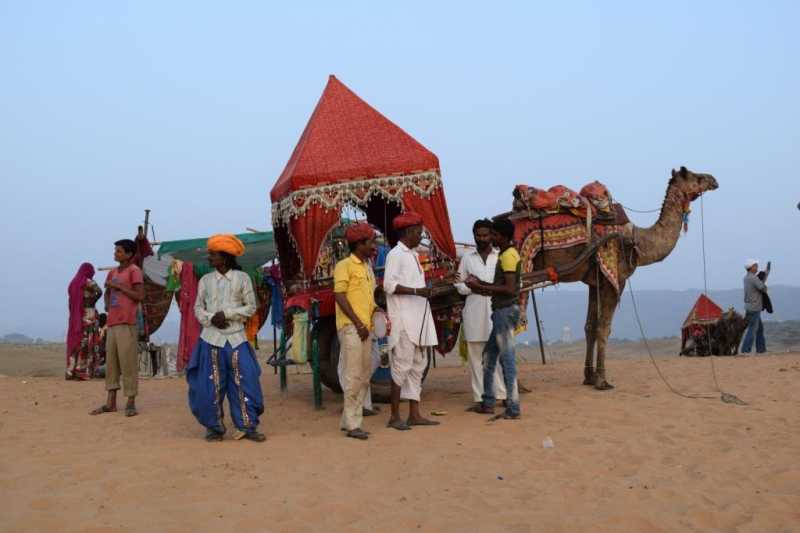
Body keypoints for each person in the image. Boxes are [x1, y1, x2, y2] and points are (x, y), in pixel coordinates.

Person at [186, 234, 265, 442]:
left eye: (213, 254)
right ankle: (214, 428)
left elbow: (251, 307)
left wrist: (227, 315)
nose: (209, 258)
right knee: (209, 385)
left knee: (246, 382)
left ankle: (248, 426)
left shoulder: (243, 278)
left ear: (225, 257)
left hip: (237, 339)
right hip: (211, 339)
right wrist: (213, 319)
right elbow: (197, 308)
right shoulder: (205, 280)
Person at [383, 211, 440, 431]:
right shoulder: (396, 254)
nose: (421, 236)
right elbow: (389, 285)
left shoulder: (413, 255)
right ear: (408, 232)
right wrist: (418, 291)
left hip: (418, 319)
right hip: (404, 321)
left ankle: (414, 414)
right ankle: (394, 416)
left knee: (418, 366)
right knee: (401, 366)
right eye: (418, 232)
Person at [455, 219, 517, 410]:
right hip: (474, 311)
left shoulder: (501, 256)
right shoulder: (467, 258)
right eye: (478, 235)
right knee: (476, 358)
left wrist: (479, 286)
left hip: (497, 310)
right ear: (474, 235)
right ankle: (481, 398)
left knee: (502, 355)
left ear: (492, 235)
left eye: (485, 235)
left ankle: (505, 395)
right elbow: (459, 284)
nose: (482, 238)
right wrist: (472, 288)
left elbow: (506, 285)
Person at [333, 223, 378, 440]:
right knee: (353, 376)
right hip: (352, 328)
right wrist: (359, 324)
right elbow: (340, 296)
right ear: (360, 244)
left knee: (364, 376)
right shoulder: (344, 265)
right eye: (371, 241)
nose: (374, 245)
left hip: (364, 328)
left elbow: (369, 299)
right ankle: (353, 425)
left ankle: (348, 419)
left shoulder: (367, 267)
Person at [90, 240, 144, 417]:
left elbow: (140, 295)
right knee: (111, 363)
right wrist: (107, 304)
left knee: (128, 363)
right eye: (115, 251)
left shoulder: (134, 271)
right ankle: (110, 402)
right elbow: (107, 291)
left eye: (119, 251)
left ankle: (130, 402)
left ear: (129, 254)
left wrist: (119, 286)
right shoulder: (113, 272)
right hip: (112, 323)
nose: (115, 254)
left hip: (127, 323)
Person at [66, 263, 103, 380]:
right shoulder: (88, 282)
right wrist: (92, 301)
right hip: (89, 314)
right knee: (87, 343)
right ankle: (83, 371)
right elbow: (100, 292)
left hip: (76, 315)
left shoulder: (73, 283)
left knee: (76, 341)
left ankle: (71, 370)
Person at [741, 258, 768, 354]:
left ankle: (761, 350)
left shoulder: (746, 277)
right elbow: (762, 288)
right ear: (751, 267)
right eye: (755, 265)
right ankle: (745, 351)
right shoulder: (753, 278)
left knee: (759, 329)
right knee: (752, 330)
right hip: (755, 307)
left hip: (749, 307)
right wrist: (765, 278)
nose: (757, 267)